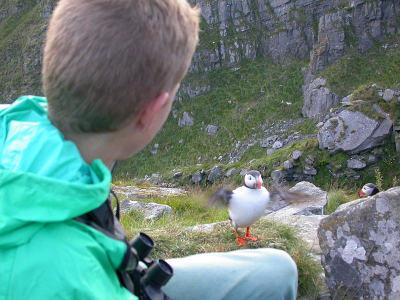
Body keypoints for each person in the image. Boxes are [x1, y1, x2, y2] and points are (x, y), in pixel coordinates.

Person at [0, 0, 298, 299]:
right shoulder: (74, 286)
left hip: (101, 261)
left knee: (278, 269)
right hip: (89, 276)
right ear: (150, 113)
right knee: (279, 275)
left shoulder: (10, 121)